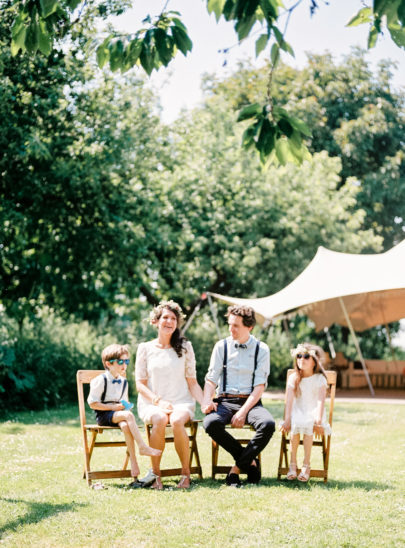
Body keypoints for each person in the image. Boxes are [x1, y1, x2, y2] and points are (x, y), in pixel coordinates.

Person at [202, 305, 275, 487]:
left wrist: (243, 412)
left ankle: (236, 469)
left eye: (236, 326)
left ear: (249, 327)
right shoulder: (221, 346)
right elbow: (211, 379)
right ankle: (249, 462)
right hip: (225, 401)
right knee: (210, 423)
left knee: (268, 425)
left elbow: (259, 386)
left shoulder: (262, 349)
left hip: (251, 402)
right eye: (229, 324)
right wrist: (206, 400)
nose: (230, 329)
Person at [135, 300, 204, 490]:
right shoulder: (145, 348)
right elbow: (140, 385)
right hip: (152, 403)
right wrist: (158, 401)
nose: (169, 321)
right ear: (156, 321)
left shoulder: (185, 347)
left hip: (181, 402)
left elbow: (192, 381)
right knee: (159, 418)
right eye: (165, 317)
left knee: (175, 421)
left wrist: (205, 402)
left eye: (173, 318)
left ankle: (185, 474)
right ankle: (155, 476)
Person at [87, 343, 161, 489]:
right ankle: (142, 446)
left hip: (118, 414)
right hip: (104, 415)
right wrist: (113, 407)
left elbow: (124, 400)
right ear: (109, 364)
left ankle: (134, 465)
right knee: (127, 416)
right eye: (120, 361)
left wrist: (125, 405)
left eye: (126, 361)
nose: (124, 365)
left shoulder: (123, 381)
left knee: (127, 424)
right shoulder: (100, 380)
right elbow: (92, 403)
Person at [280, 342, 332, 483]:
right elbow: (289, 402)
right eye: (299, 356)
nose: (302, 359)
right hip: (297, 411)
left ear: (314, 362)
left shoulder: (319, 379)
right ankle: (292, 464)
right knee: (296, 422)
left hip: (314, 411)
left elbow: (321, 401)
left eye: (306, 356)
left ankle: (306, 465)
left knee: (309, 423)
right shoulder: (294, 378)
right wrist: (287, 419)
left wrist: (319, 419)